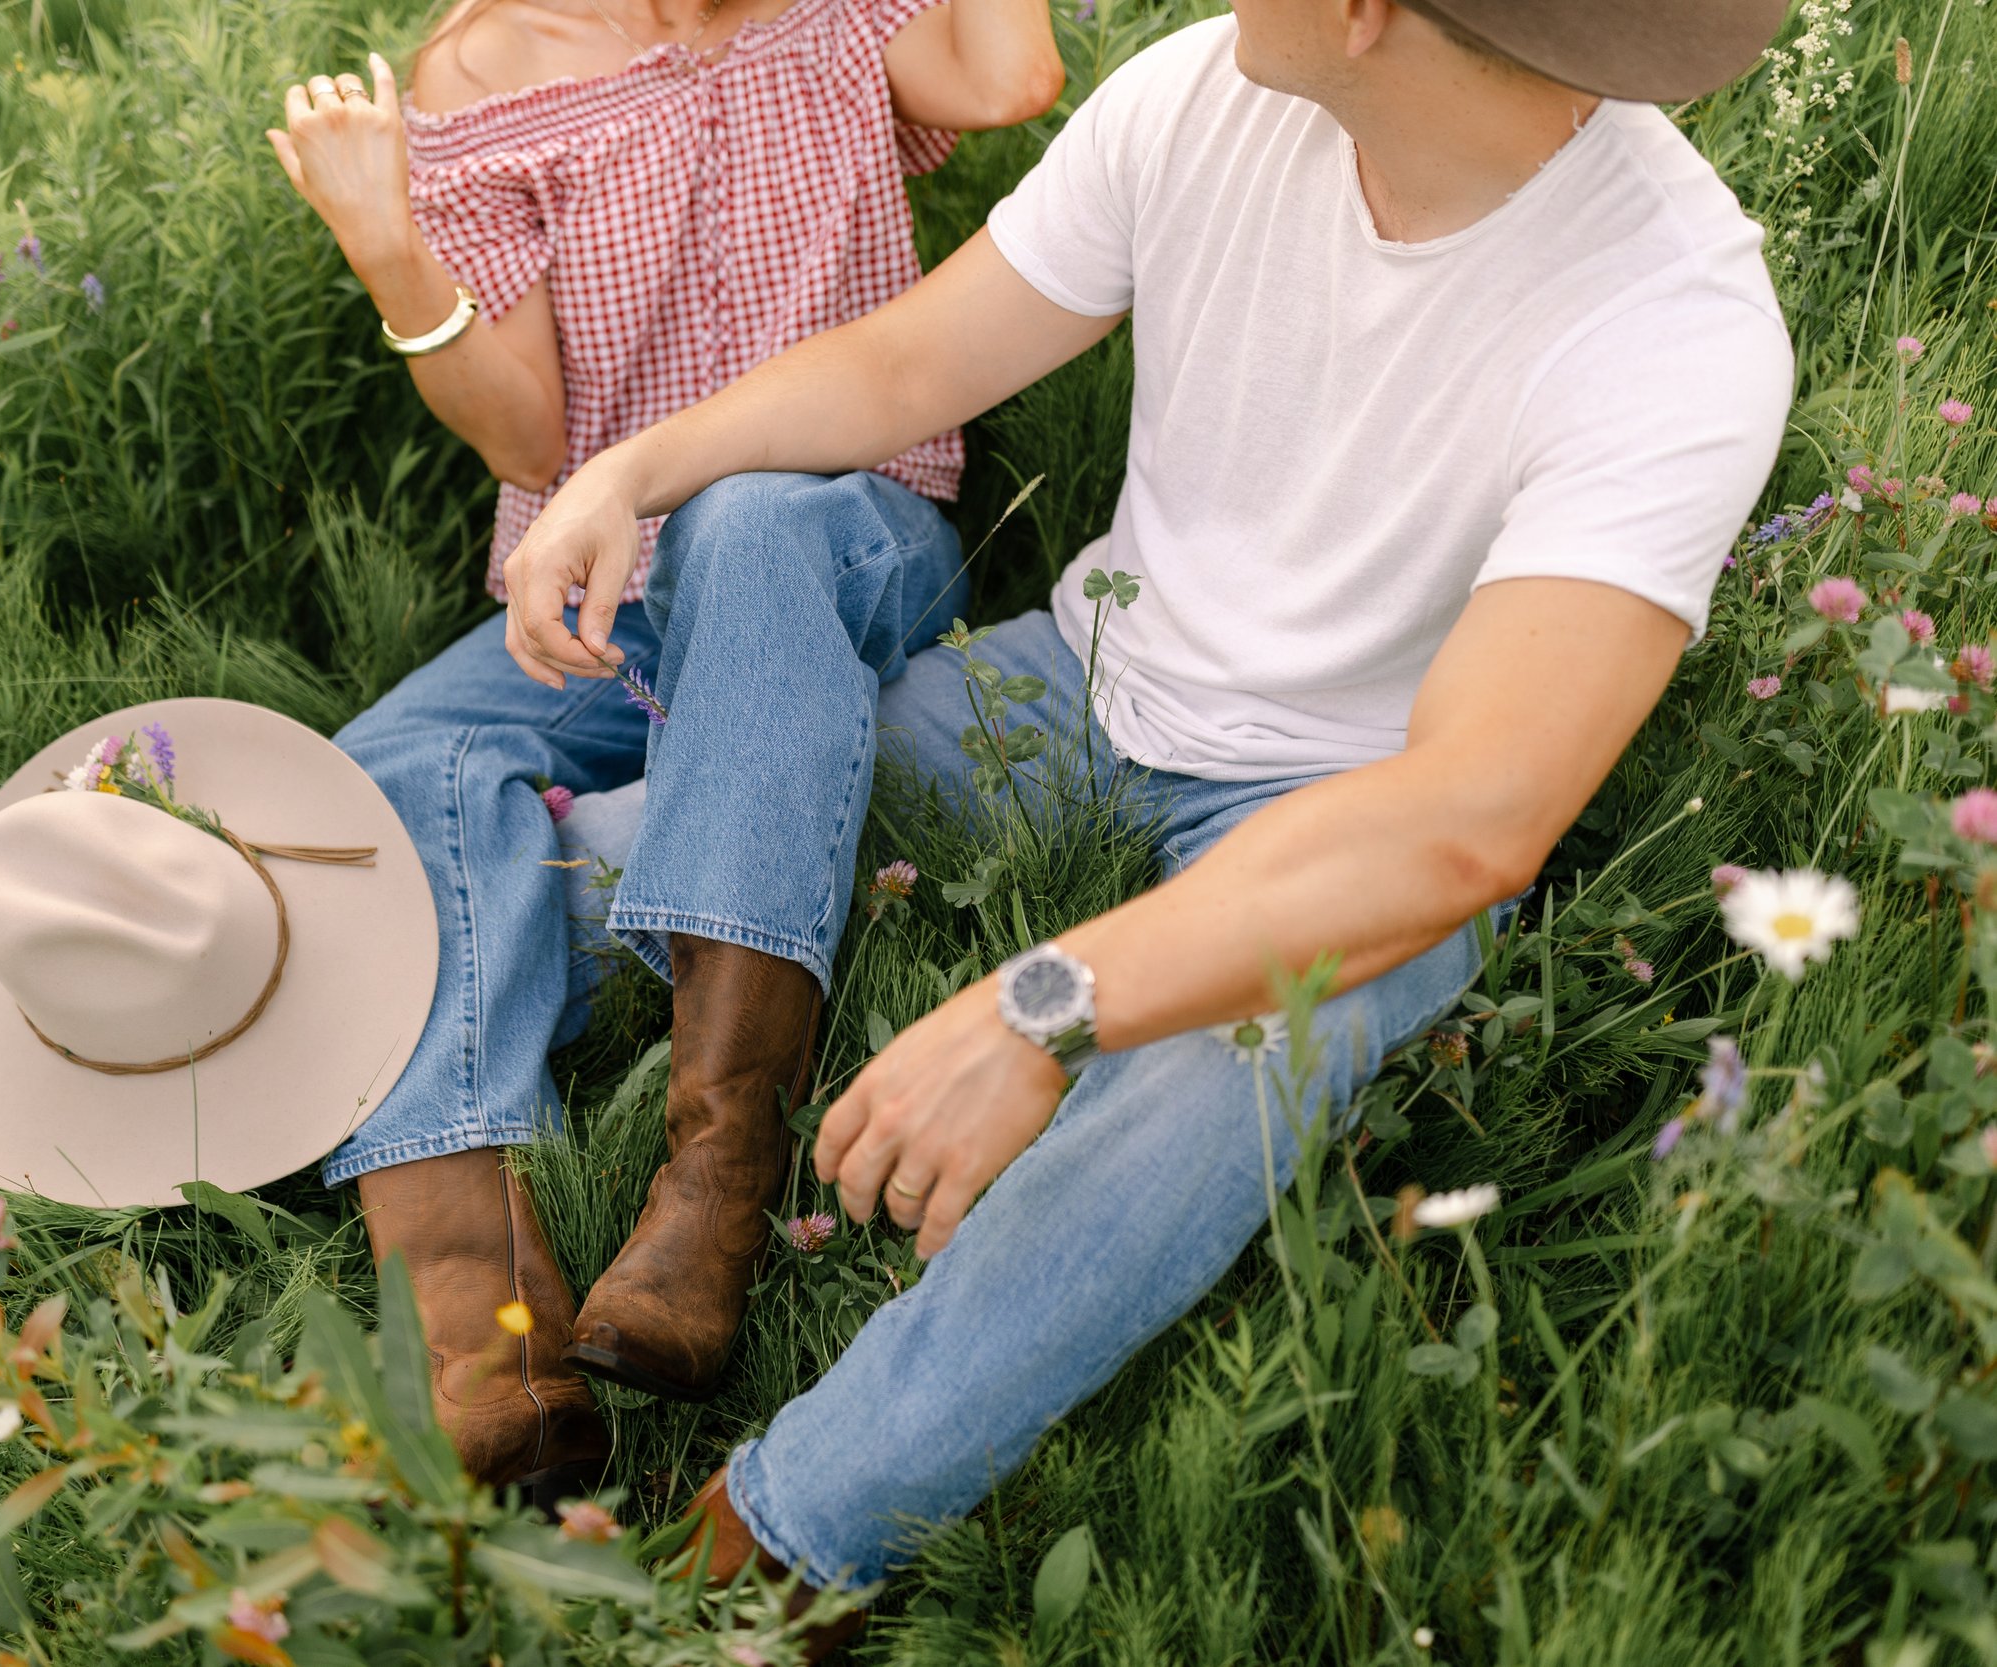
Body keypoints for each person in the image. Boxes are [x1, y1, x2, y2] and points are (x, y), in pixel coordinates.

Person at [489, 0, 1796, 1628]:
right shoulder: (1203, 93)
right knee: (581, 866)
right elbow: (911, 361)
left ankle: (784, 1541)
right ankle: (508, 1162)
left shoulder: (1675, 325)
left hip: (1343, 812)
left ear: (1369, 14)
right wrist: (637, 468)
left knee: (1255, 1046)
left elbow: (1470, 818)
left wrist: (1043, 1002)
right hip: (1082, 683)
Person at [256, 0, 1064, 1477]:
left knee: (754, 519)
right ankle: (474, 1313)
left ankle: (718, 1174)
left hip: (850, 520)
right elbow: (521, 436)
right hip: (607, 568)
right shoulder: (485, 67)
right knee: (395, 766)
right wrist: (389, 245)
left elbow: (1012, 74)